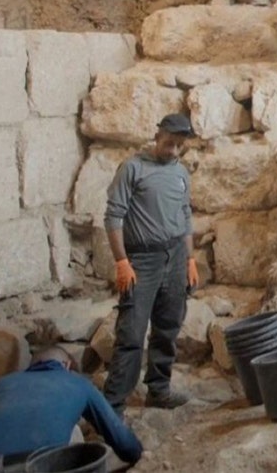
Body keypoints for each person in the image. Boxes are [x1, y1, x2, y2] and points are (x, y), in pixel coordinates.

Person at [101, 113, 198, 416]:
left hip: (175, 255)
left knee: (168, 326)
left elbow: (185, 217)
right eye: (169, 143)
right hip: (142, 259)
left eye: (179, 145)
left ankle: (158, 390)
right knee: (131, 333)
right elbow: (113, 216)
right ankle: (113, 406)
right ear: (158, 136)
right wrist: (121, 261)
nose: (172, 150)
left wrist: (191, 259)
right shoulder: (133, 169)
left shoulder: (181, 173)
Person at [0, 346, 142, 472]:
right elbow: (123, 442)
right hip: (37, 465)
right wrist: (140, 455)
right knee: (75, 432)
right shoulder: (78, 383)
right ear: (66, 365)